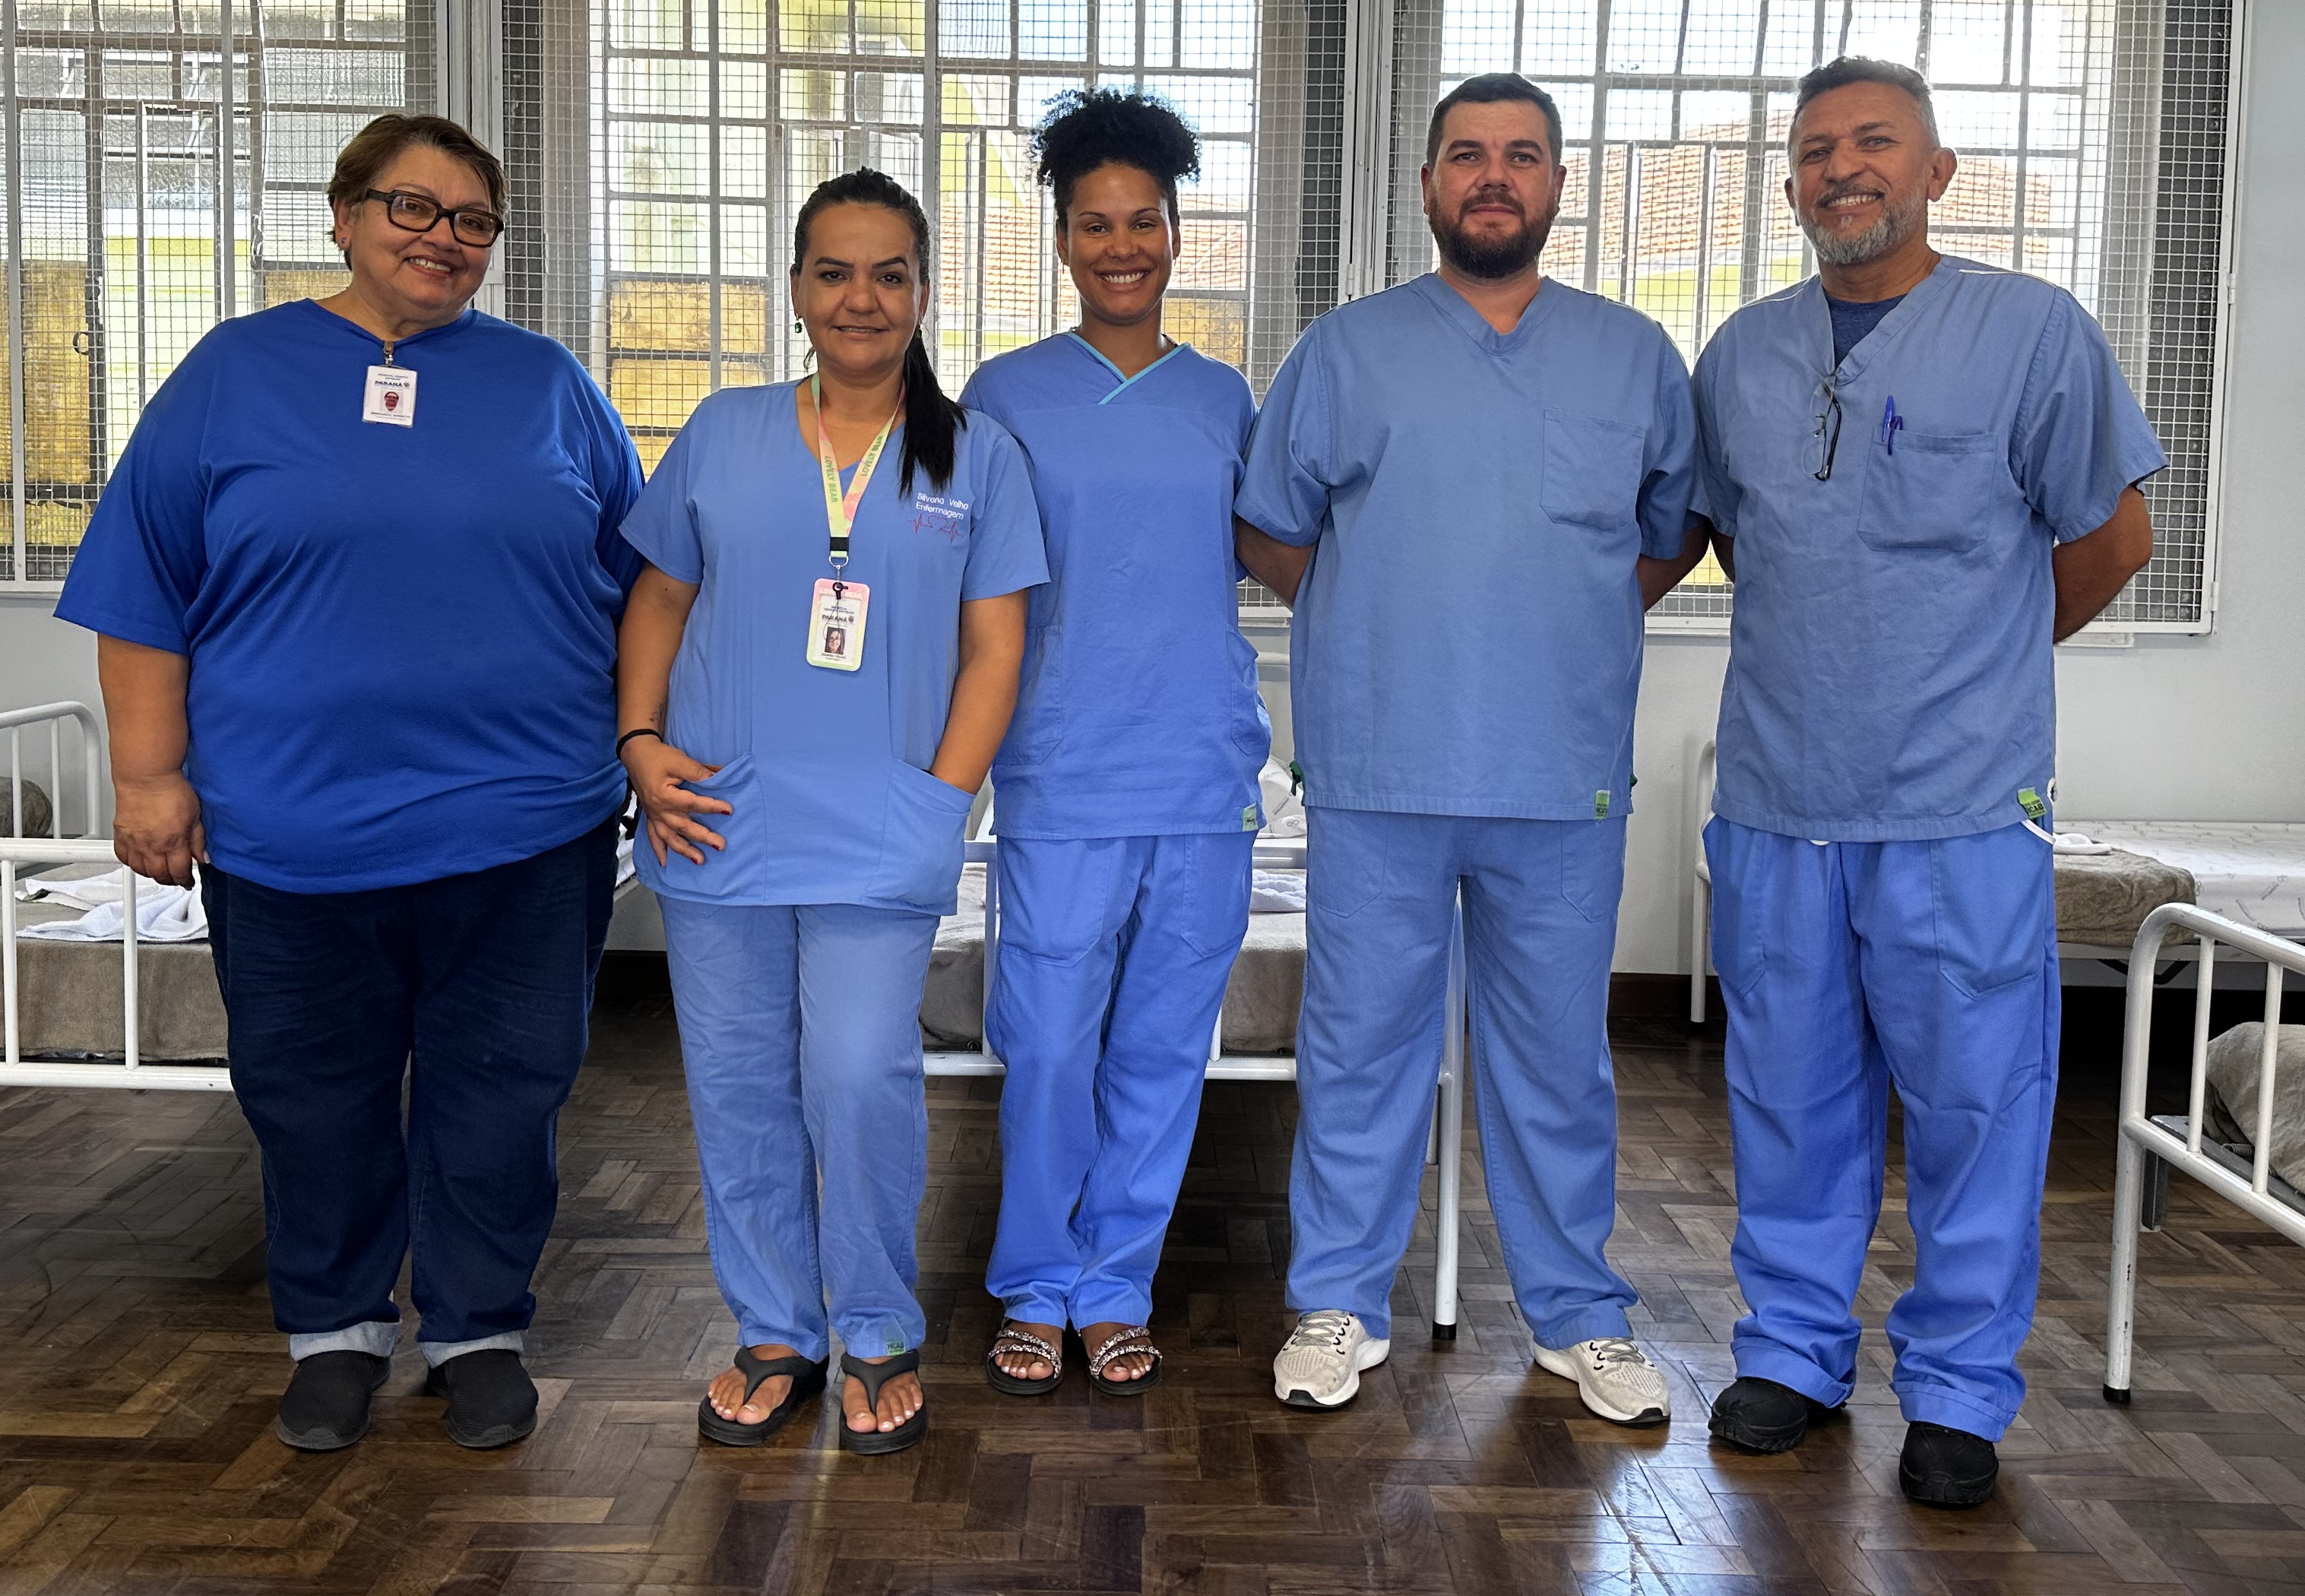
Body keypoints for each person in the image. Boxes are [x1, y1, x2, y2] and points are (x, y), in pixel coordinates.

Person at [59, 112, 643, 1455]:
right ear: (343, 214)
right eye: (411, 207)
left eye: (473, 220)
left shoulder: (549, 385)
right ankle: (334, 1332)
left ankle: (478, 1329)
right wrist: (149, 777)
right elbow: (142, 590)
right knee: (312, 1094)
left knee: (505, 1090)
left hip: (526, 821)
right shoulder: (233, 373)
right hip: (292, 828)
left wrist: (641, 746)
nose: (443, 238)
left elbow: (643, 586)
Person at [1691, 55, 2162, 1509]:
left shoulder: (2031, 334)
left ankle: (1958, 1390)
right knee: (1787, 1094)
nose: (1843, 167)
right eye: (1816, 149)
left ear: (1937, 171)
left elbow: (2114, 540)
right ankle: (1793, 1351)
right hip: (1779, 795)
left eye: (1875, 141)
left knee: (1976, 1105)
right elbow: (1739, 539)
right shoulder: (1742, 356)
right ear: (1790, 183)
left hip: (1958, 807)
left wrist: (1978, 663)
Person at [1233, 72, 1703, 1425]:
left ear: (1557, 183)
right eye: (1467, 154)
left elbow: (1673, 530)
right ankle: (1337, 1300)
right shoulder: (1347, 351)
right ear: (1429, 183)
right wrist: (1374, 612)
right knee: (1361, 1047)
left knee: (1557, 1060)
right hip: (1382, 767)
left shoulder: (1632, 358)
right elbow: (1270, 527)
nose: (1494, 175)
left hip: (1559, 774)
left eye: (1522, 155)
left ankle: (1580, 1315)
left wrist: (1570, 620)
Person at [620, 169, 1046, 1455]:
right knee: (739, 1087)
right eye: (835, 272)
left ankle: (874, 1321)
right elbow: (658, 600)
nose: (862, 298)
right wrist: (638, 744)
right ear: (798, 289)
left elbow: (996, 649)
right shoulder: (724, 431)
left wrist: (942, 801)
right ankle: (774, 1330)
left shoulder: (977, 456)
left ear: (924, 292)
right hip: (715, 817)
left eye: (889, 274)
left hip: (882, 826)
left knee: (858, 1077)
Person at [960, 92, 1274, 1398]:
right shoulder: (1004, 394)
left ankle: (1115, 1286)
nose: (1122, 245)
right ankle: (1037, 1282)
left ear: (1177, 232)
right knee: (1048, 1046)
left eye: (1144, 220)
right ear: (1062, 240)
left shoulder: (1224, 397)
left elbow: (1271, 553)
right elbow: (970, 586)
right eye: (1095, 224)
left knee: (1160, 1050)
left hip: (1201, 771)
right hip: (1062, 770)